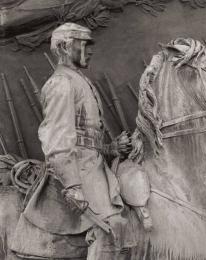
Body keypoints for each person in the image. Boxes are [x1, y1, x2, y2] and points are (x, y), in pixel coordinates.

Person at [37, 22, 135, 259]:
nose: (90, 50)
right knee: (110, 229)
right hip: (79, 171)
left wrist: (111, 148)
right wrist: (73, 186)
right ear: (64, 47)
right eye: (84, 45)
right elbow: (59, 141)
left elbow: (84, 136)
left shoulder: (78, 79)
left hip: (94, 165)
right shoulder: (62, 83)